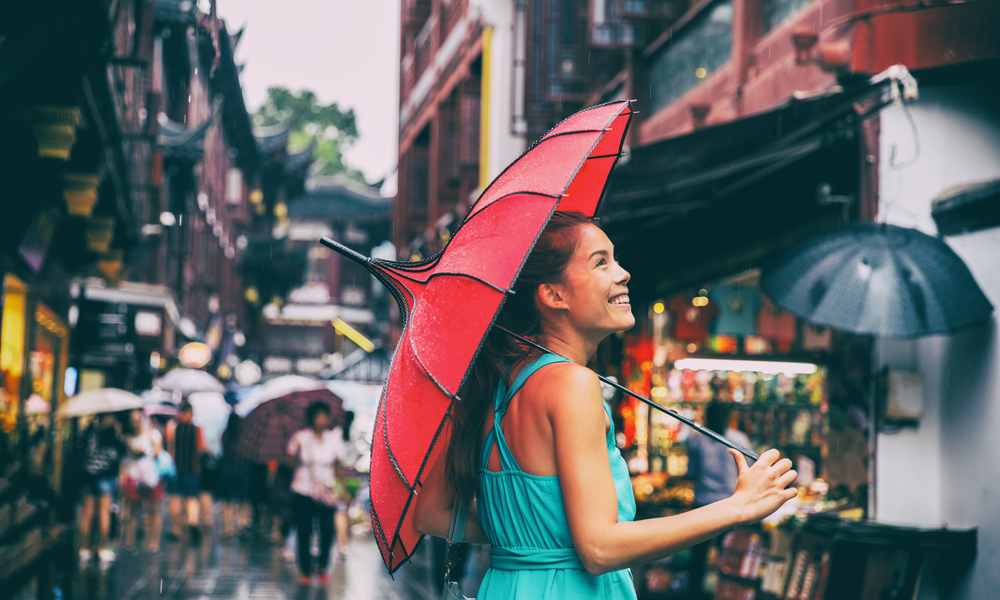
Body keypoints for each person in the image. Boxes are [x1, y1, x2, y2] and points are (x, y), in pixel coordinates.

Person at [413, 212, 797, 599]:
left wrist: (533, 538)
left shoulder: (494, 386)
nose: (623, 272)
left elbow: (430, 512)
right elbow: (599, 549)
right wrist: (738, 506)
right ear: (553, 295)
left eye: (616, 259)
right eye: (601, 262)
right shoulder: (572, 383)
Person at [686, 402, 755, 595]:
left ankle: (694, 594)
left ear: (706, 417)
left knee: (698, 558)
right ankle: (725, 594)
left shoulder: (697, 441)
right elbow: (748, 471)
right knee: (729, 559)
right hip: (729, 503)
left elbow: (691, 471)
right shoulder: (738, 438)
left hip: (702, 504)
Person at [286, 401, 346, 585]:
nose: (322, 420)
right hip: (303, 489)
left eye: (324, 416)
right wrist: (295, 451)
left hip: (327, 492)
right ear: (312, 418)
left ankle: (322, 564)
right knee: (304, 530)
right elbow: (289, 464)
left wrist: (342, 490)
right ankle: (305, 568)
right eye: (318, 416)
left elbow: (339, 466)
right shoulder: (300, 437)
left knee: (328, 529)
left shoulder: (334, 438)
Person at [77, 412, 127, 564]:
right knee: (103, 514)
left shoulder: (90, 433)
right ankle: (101, 548)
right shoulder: (112, 435)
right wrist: (118, 432)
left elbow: (83, 453)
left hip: (89, 477)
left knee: (87, 514)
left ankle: (85, 549)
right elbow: (122, 452)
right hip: (106, 477)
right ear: (108, 418)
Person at [122, 410, 164, 553]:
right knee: (131, 511)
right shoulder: (128, 437)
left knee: (154, 511)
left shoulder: (152, 434)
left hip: (151, 477)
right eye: (132, 420)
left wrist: (145, 449)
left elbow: (159, 452)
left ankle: (154, 543)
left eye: (137, 419)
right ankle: (129, 542)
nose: (135, 423)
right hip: (133, 475)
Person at [165, 403, 204, 543]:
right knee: (191, 498)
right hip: (192, 470)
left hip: (175, 469)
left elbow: (169, 447)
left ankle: (176, 529)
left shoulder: (172, 427)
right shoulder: (197, 429)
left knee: (174, 499)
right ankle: (192, 522)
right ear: (190, 413)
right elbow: (201, 448)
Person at [218, 412, 251, 539]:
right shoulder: (245, 435)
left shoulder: (225, 434)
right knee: (243, 498)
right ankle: (242, 524)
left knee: (227, 499)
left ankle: (228, 527)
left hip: (226, 468)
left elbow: (221, 449)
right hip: (242, 468)